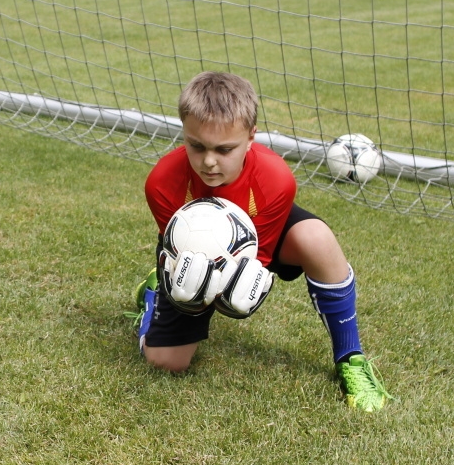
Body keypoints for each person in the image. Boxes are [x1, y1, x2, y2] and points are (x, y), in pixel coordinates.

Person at [133, 72, 392, 412]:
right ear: (184, 131)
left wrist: (235, 295)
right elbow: (180, 258)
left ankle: (351, 359)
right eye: (196, 146)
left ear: (251, 136)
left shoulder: (275, 179)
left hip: (253, 237)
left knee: (316, 239)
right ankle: (153, 299)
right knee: (166, 362)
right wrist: (186, 292)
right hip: (189, 254)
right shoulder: (162, 183)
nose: (209, 161)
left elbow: (256, 265)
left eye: (225, 149)